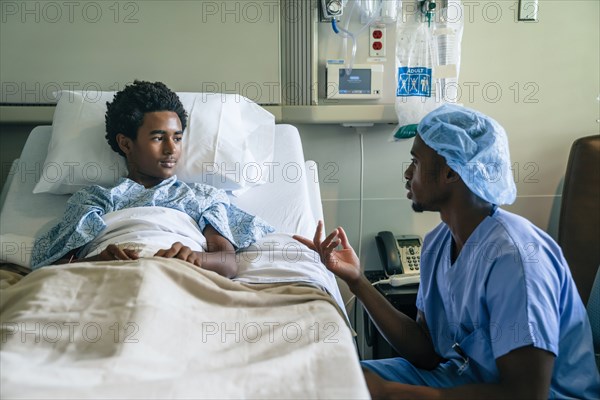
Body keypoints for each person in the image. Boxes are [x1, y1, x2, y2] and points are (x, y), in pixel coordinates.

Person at [295, 104, 600, 399]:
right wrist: (357, 281)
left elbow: (525, 393)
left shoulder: (515, 258)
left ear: (451, 172)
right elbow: (426, 352)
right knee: (333, 380)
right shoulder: (438, 243)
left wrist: (398, 393)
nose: (407, 173)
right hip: (460, 378)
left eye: (415, 162)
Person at [31, 80, 273, 277]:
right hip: (108, 277)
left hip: (181, 277)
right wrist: (94, 261)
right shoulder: (96, 199)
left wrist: (195, 257)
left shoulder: (202, 197)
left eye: (177, 138)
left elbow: (228, 263)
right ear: (125, 143)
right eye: (158, 138)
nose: (171, 150)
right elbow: (50, 268)